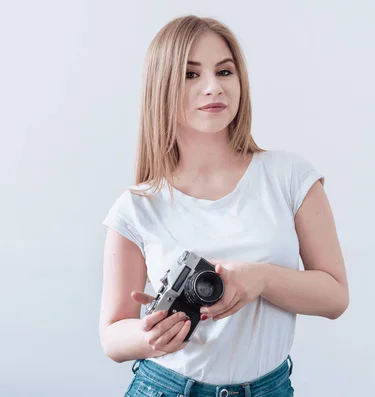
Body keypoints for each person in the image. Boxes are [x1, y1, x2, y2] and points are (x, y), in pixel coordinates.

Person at [99, 15, 349, 397]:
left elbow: (335, 297)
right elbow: (112, 335)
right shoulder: (137, 207)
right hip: (165, 387)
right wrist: (151, 334)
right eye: (191, 75)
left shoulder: (289, 176)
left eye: (225, 71)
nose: (213, 87)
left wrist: (260, 279)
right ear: (161, 87)